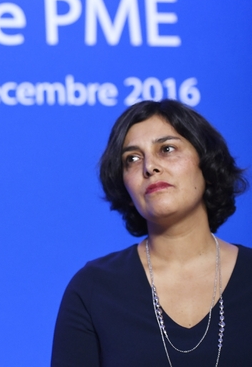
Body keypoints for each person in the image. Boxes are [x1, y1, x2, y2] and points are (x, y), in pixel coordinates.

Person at [51, 100, 251, 366]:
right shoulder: (93, 288)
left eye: (167, 149)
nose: (150, 167)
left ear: (207, 165)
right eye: (132, 159)